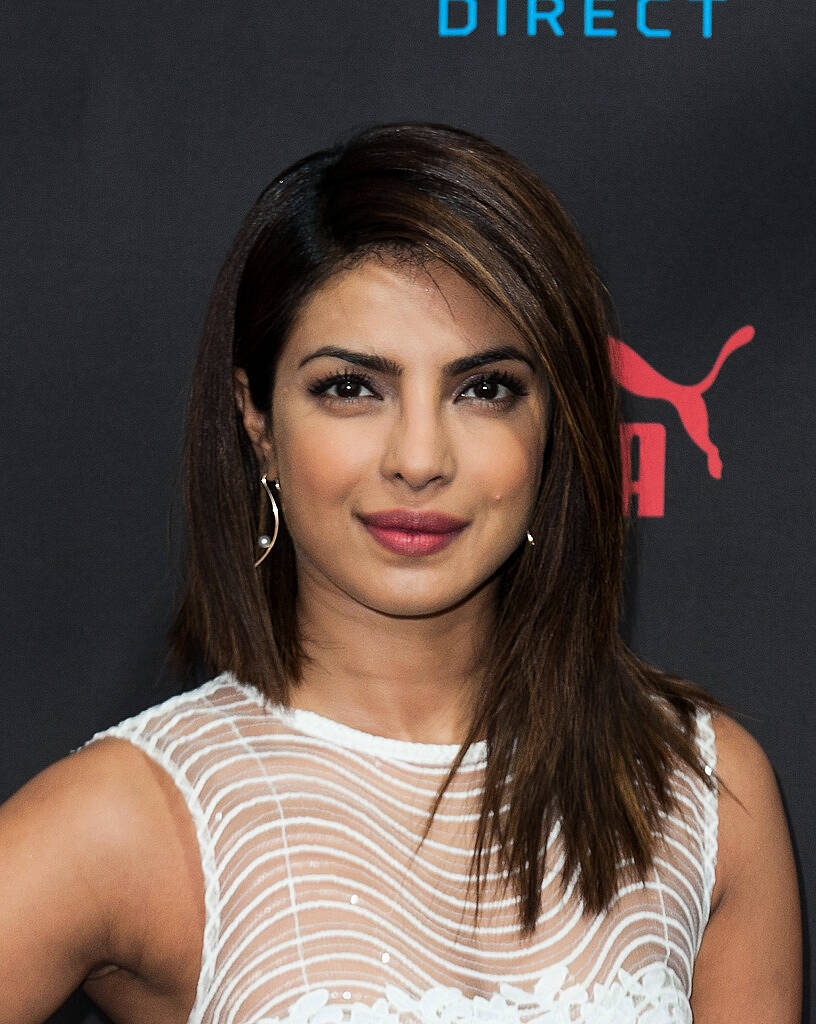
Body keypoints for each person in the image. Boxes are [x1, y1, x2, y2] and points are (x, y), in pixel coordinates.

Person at [0, 123, 801, 1024]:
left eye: (485, 388)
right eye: (351, 387)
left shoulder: (702, 791)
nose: (419, 457)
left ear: (556, 427)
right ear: (258, 423)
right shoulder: (130, 822)